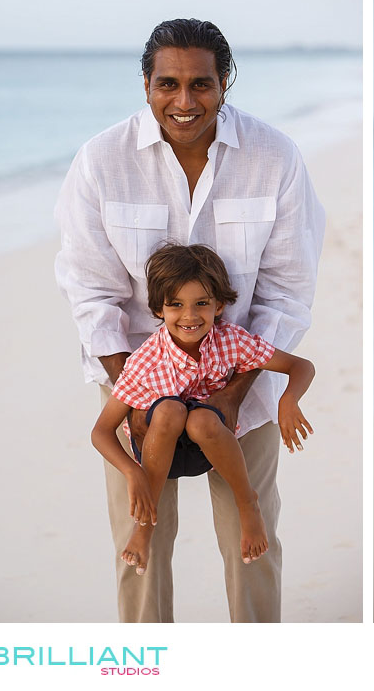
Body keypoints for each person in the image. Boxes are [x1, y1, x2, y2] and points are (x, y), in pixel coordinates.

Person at [56, 18, 325, 623]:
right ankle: (150, 663)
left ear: (225, 82)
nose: (184, 101)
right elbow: (91, 292)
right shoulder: (100, 161)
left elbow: (287, 291)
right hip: (133, 376)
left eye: (201, 84)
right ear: (145, 84)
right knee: (140, 547)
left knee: (252, 541)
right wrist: (138, 396)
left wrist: (234, 394)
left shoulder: (275, 157)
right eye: (167, 84)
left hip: (241, 379)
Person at [91, 243, 315, 575]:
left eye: (201, 304)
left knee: (199, 421)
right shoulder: (145, 362)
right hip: (158, 450)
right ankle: (145, 527)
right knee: (170, 411)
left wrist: (288, 400)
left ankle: (247, 502)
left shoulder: (230, 341)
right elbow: (100, 432)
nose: (190, 316)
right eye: (176, 305)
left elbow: (301, 366)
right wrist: (132, 472)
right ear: (159, 310)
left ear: (219, 305)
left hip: (207, 445)